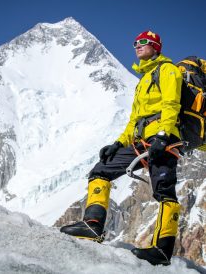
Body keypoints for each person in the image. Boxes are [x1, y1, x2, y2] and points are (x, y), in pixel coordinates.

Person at [60, 31, 183, 266]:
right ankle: (93, 226)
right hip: (139, 141)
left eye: (143, 43)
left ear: (156, 46)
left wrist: (163, 135)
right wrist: (118, 143)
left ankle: (162, 251)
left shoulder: (168, 70)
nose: (137, 46)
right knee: (100, 170)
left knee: (164, 191)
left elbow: (171, 104)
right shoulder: (144, 79)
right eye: (136, 43)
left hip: (163, 141)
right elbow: (134, 120)